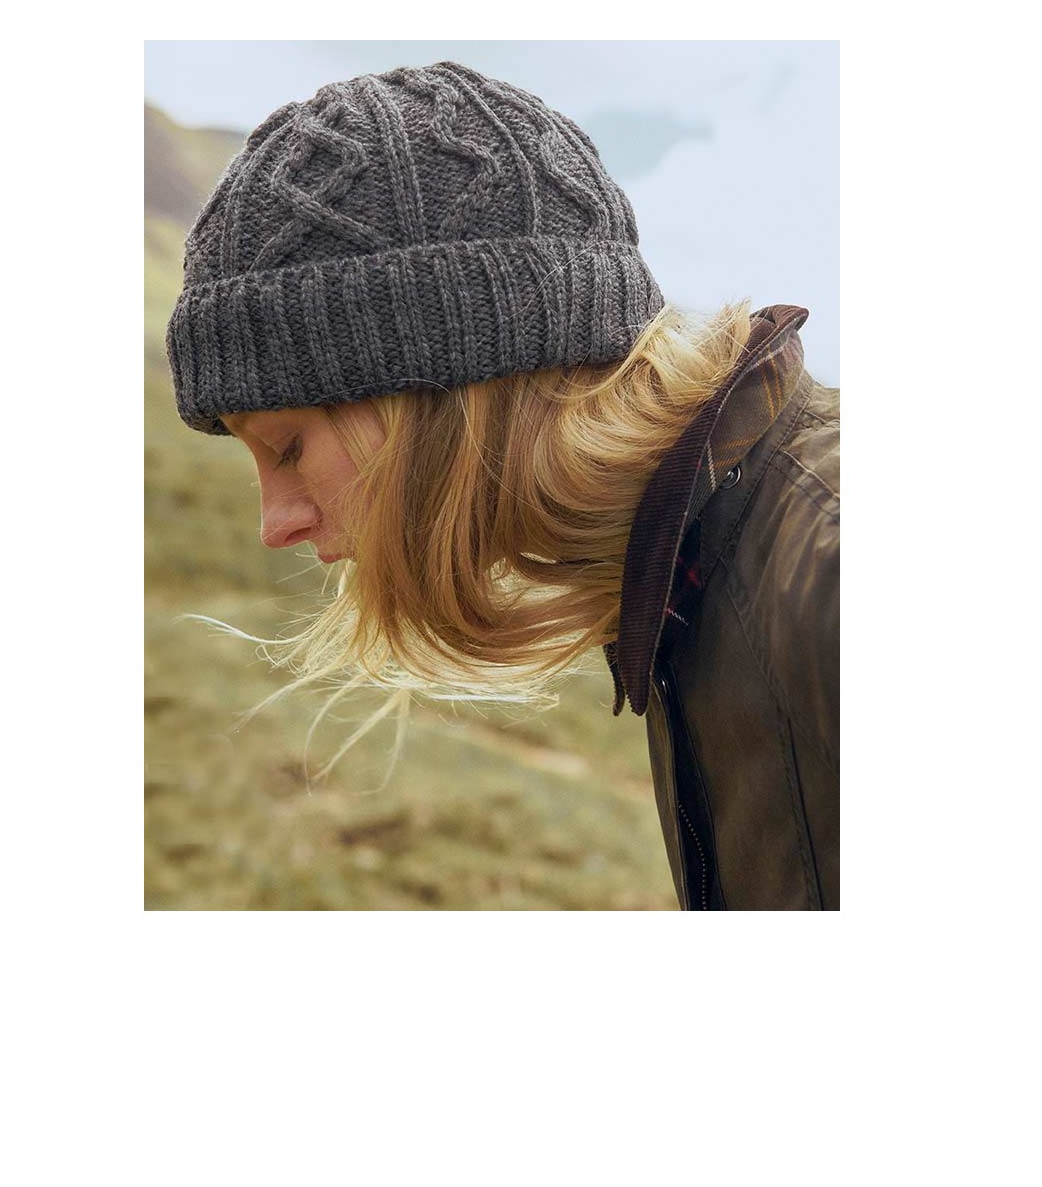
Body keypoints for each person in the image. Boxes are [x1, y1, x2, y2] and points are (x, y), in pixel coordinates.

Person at [165, 59, 839, 911]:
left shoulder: (829, 576)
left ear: (446, 386)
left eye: (289, 447)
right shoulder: (700, 564)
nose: (275, 524)